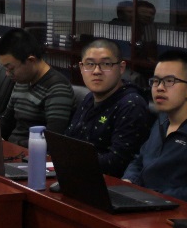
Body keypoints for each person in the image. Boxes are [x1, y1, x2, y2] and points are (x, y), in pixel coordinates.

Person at [123, 49, 187, 208]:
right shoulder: (162, 120)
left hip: (172, 211)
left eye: (169, 81)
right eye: (156, 81)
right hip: (144, 203)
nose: (160, 88)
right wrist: (129, 181)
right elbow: (140, 160)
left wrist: (156, 197)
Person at [65, 39, 152, 177]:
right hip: (80, 174)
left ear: (121, 68)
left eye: (106, 64)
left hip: (110, 182)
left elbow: (118, 161)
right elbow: (69, 139)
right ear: (81, 67)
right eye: (90, 64)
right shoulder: (89, 98)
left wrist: (70, 160)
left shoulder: (131, 104)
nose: (96, 71)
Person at [0, 28, 73, 146]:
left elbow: (52, 141)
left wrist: (14, 145)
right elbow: (7, 123)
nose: (7, 74)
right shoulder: (22, 81)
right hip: (12, 149)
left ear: (31, 60)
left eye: (11, 68)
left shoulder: (58, 88)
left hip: (32, 153)